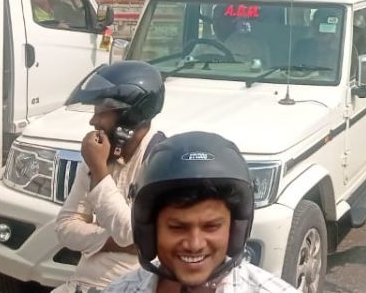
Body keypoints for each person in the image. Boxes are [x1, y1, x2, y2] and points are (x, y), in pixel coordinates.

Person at [104, 132, 298, 293]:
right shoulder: (120, 290)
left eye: (211, 227)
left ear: (235, 229)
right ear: (150, 231)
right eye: (177, 227)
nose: (195, 244)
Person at [54, 61, 168, 293]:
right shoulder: (100, 155)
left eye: (101, 113)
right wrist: (113, 241)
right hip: (79, 284)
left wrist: (99, 172)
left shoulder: (161, 162)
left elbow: (129, 231)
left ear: (130, 115)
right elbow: (65, 227)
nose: (93, 121)